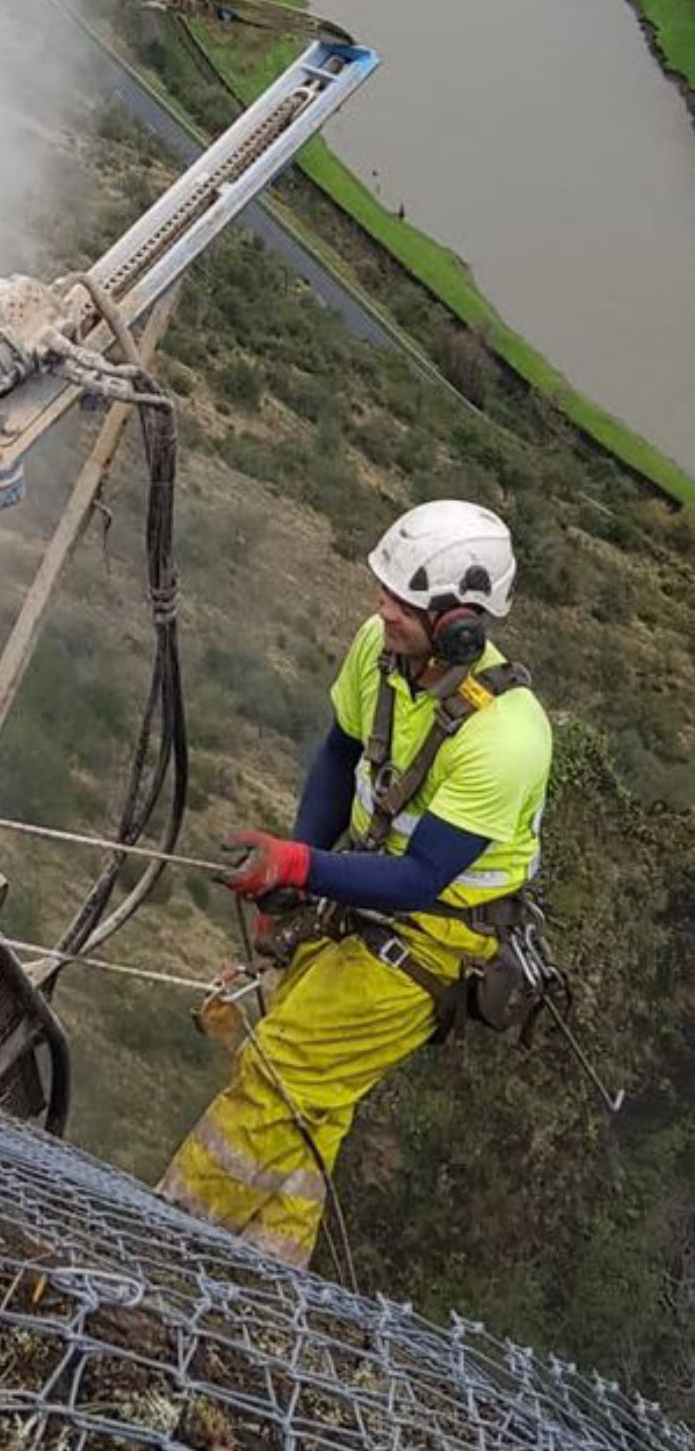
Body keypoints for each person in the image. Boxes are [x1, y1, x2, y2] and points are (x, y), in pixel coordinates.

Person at [158, 500, 552, 1268]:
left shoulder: (508, 736)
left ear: (461, 622)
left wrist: (300, 865)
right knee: (313, 1100)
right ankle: (265, 1287)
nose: (382, 610)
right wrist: (294, 873)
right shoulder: (381, 650)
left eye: (403, 601)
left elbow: (421, 875)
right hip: (364, 899)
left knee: (278, 1075)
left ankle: (157, 1250)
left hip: (437, 936)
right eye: (384, 592)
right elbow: (339, 753)